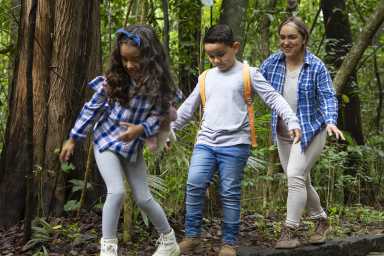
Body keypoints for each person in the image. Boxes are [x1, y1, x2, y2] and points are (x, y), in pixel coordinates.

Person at [171, 24, 301, 256]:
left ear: (235, 47)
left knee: (229, 192)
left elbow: (273, 98)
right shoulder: (206, 77)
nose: (216, 60)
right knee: (194, 184)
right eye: (211, 56)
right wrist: (168, 131)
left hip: (236, 144)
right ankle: (192, 236)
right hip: (206, 142)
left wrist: (291, 121)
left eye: (221, 54)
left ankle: (229, 242)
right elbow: (186, 110)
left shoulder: (248, 73)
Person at [59, 25, 180, 256]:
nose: (130, 65)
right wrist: (74, 138)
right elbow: (91, 109)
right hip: (106, 140)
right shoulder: (114, 80)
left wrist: (141, 129)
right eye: (124, 60)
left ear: (151, 58)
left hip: (132, 145)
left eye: (135, 60)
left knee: (144, 198)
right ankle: (109, 249)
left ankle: (169, 241)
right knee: (116, 192)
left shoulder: (159, 86)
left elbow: (161, 116)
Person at [260, 16, 345, 249]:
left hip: (312, 131)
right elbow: (254, 81)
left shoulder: (315, 65)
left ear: (304, 39)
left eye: (292, 37)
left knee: (295, 175)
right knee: (301, 179)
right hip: (283, 132)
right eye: (282, 37)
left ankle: (289, 230)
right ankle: (321, 220)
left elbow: (328, 96)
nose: (286, 42)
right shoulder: (273, 62)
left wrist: (330, 121)